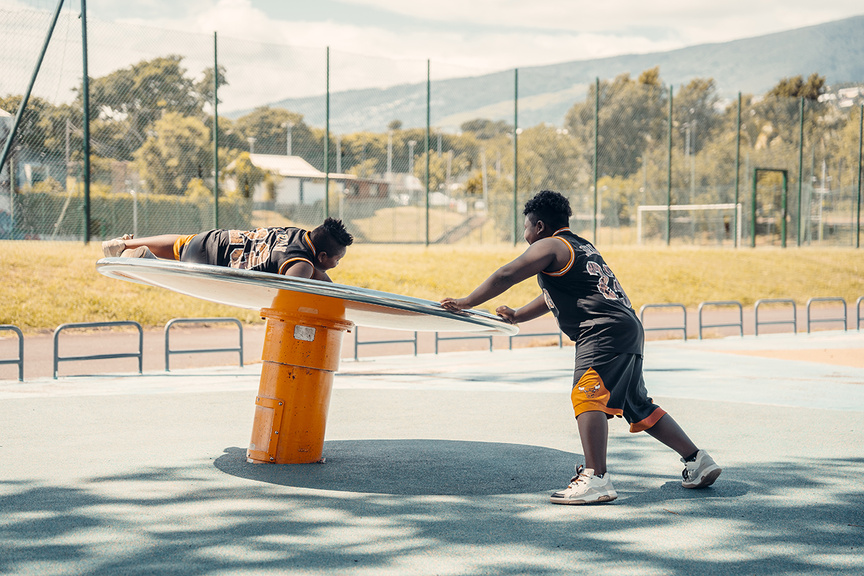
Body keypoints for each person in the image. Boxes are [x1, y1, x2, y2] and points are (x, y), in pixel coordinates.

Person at [440, 190, 720, 505]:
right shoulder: (581, 246)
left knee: (586, 394)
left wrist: (465, 302)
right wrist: (518, 314)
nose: (525, 237)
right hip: (626, 327)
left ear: (540, 226)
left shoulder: (549, 245)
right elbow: (554, 297)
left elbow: (507, 274)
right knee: (636, 404)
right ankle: (697, 460)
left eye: (527, 229)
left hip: (601, 331)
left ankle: (596, 477)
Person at [101, 218, 353, 282]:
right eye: (338, 259)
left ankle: (125, 244)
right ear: (321, 256)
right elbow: (292, 294)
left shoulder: (298, 234)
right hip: (209, 262)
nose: (337, 264)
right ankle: (149, 261)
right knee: (183, 275)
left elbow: (323, 281)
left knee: (181, 243)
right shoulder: (302, 265)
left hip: (212, 239)